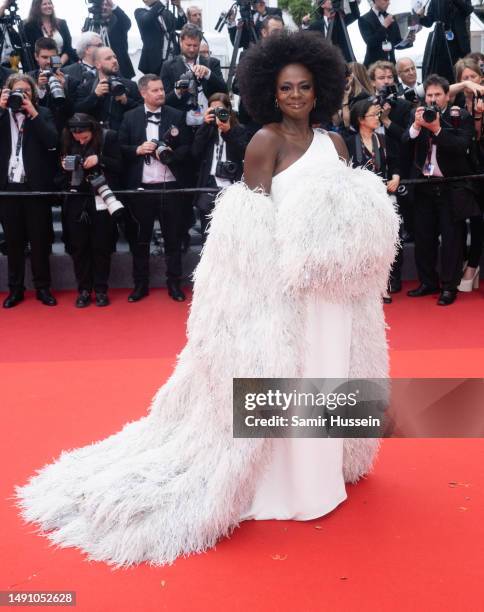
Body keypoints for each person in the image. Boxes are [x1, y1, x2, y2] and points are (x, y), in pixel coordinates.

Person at [16, 31, 399, 567]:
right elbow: (249, 229)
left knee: (330, 375)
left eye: (305, 87)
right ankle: (285, 485)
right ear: (270, 90)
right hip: (287, 295)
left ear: (321, 91)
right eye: (285, 87)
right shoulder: (264, 142)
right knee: (292, 377)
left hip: (332, 295)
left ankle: (324, 473)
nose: (295, 95)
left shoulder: (335, 143)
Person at [403, 74, 478, 306]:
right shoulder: (419, 115)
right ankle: (428, 282)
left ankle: (449, 286)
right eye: (429, 95)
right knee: (424, 238)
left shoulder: (460, 117)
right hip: (425, 186)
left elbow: (461, 146)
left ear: (448, 96)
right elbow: (405, 142)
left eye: (437, 94)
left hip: (450, 187)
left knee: (452, 239)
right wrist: (417, 126)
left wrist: (437, 129)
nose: (433, 99)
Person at [118, 74, 192, 303]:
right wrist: (137, 150)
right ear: (143, 93)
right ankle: (140, 284)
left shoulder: (177, 115)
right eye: (155, 90)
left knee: (173, 238)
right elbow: (120, 148)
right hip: (142, 188)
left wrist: (169, 155)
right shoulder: (129, 117)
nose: (161, 93)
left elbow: (188, 148)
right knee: (141, 240)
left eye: (162, 89)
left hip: (171, 186)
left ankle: (174, 284)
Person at [0, 74, 58, 308]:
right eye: (17, 91)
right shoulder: (3, 114)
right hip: (7, 188)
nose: (21, 96)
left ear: (33, 94)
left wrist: (33, 114)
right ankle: (15, 289)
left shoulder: (41, 114)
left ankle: (43, 288)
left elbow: (53, 143)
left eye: (26, 91)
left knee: (40, 241)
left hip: (35, 188)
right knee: (13, 242)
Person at [58, 114, 122, 308]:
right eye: (77, 138)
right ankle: (84, 289)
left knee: (101, 247)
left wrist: (99, 159)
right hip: (76, 198)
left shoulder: (108, 137)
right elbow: (59, 168)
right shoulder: (67, 139)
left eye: (85, 137)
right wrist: (64, 166)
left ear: (93, 131)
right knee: (79, 248)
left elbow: (120, 165)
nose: (81, 140)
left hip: (102, 197)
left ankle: (101, 289)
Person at [343, 96, 400, 302]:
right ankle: (361, 286)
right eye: (373, 115)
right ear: (360, 119)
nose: (377, 118)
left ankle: (383, 285)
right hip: (359, 202)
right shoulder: (348, 142)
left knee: (383, 246)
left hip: (383, 199)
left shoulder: (383, 140)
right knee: (362, 245)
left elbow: (394, 162)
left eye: (378, 114)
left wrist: (395, 176)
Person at [192, 93, 247, 241]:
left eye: (220, 109)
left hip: (231, 185)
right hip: (209, 184)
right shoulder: (207, 130)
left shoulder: (239, 129)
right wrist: (204, 125)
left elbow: (244, 153)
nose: (217, 113)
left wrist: (228, 131)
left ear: (229, 109)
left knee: (231, 232)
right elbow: (195, 152)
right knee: (208, 234)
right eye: (213, 109)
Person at [452, 58, 484, 292]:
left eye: (474, 77)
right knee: (465, 220)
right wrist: (465, 88)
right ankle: (466, 263)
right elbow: (437, 91)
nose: (470, 82)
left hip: (481, 170)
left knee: (479, 220)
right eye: (465, 78)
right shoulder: (455, 104)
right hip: (463, 172)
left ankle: (473, 266)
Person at [161, 24, 227, 125]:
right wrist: (177, 91)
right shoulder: (168, 66)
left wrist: (208, 73)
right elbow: (163, 100)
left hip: (209, 123)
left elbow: (224, 90)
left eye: (195, 45)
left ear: (200, 43)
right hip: (181, 125)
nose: (192, 49)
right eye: (188, 45)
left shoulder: (212, 63)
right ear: (181, 42)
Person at [74, 47, 142, 131]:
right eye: (108, 58)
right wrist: (94, 95)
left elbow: (142, 111)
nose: (114, 61)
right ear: (98, 64)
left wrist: (126, 101)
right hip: (97, 137)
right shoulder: (86, 87)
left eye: (115, 57)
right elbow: (77, 111)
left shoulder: (131, 85)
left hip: (123, 137)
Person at [28, 37, 78, 132]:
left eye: (52, 57)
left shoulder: (69, 79)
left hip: (63, 132)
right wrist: (39, 88)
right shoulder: (28, 78)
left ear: (57, 57)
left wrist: (64, 90)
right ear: (36, 56)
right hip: (37, 131)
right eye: (44, 57)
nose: (48, 61)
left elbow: (73, 111)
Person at [135, 0, 187, 76]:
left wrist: (178, 7)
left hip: (172, 56)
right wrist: (163, 2)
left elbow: (181, 25)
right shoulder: (139, 12)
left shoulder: (166, 12)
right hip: (155, 61)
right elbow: (147, 19)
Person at [23, 0, 77, 67]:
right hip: (41, 66)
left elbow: (68, 47)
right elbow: (32, 51)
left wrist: (58, 65)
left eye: (49, 3)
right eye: (44, 4)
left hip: (63, 63)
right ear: (37, 7)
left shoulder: (62, 23)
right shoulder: (29, 27)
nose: (48, 6)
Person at [419, 0, 473, 65]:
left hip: (461, 43)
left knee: (465, 67)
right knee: (446, 70)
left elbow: (469, 10)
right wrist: (421, 17)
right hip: (443, 43)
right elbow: (428, 22)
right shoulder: (434, 1)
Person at [96, 0, 135, 80]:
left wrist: (113, 5)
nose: (104, 7)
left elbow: (126, 21)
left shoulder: (119, 23)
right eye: (101, 5)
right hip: (100, 69)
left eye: (107, 5)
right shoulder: (94, 24)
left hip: (121, 66)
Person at [358, 0, 402, 67]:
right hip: (373, 66)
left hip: (391, 65)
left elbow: (396, 42)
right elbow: (370, 42)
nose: (388, 3)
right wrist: (384, 26)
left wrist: (408, 41)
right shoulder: (364, 19)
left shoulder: (391, 17)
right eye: (385, 0)